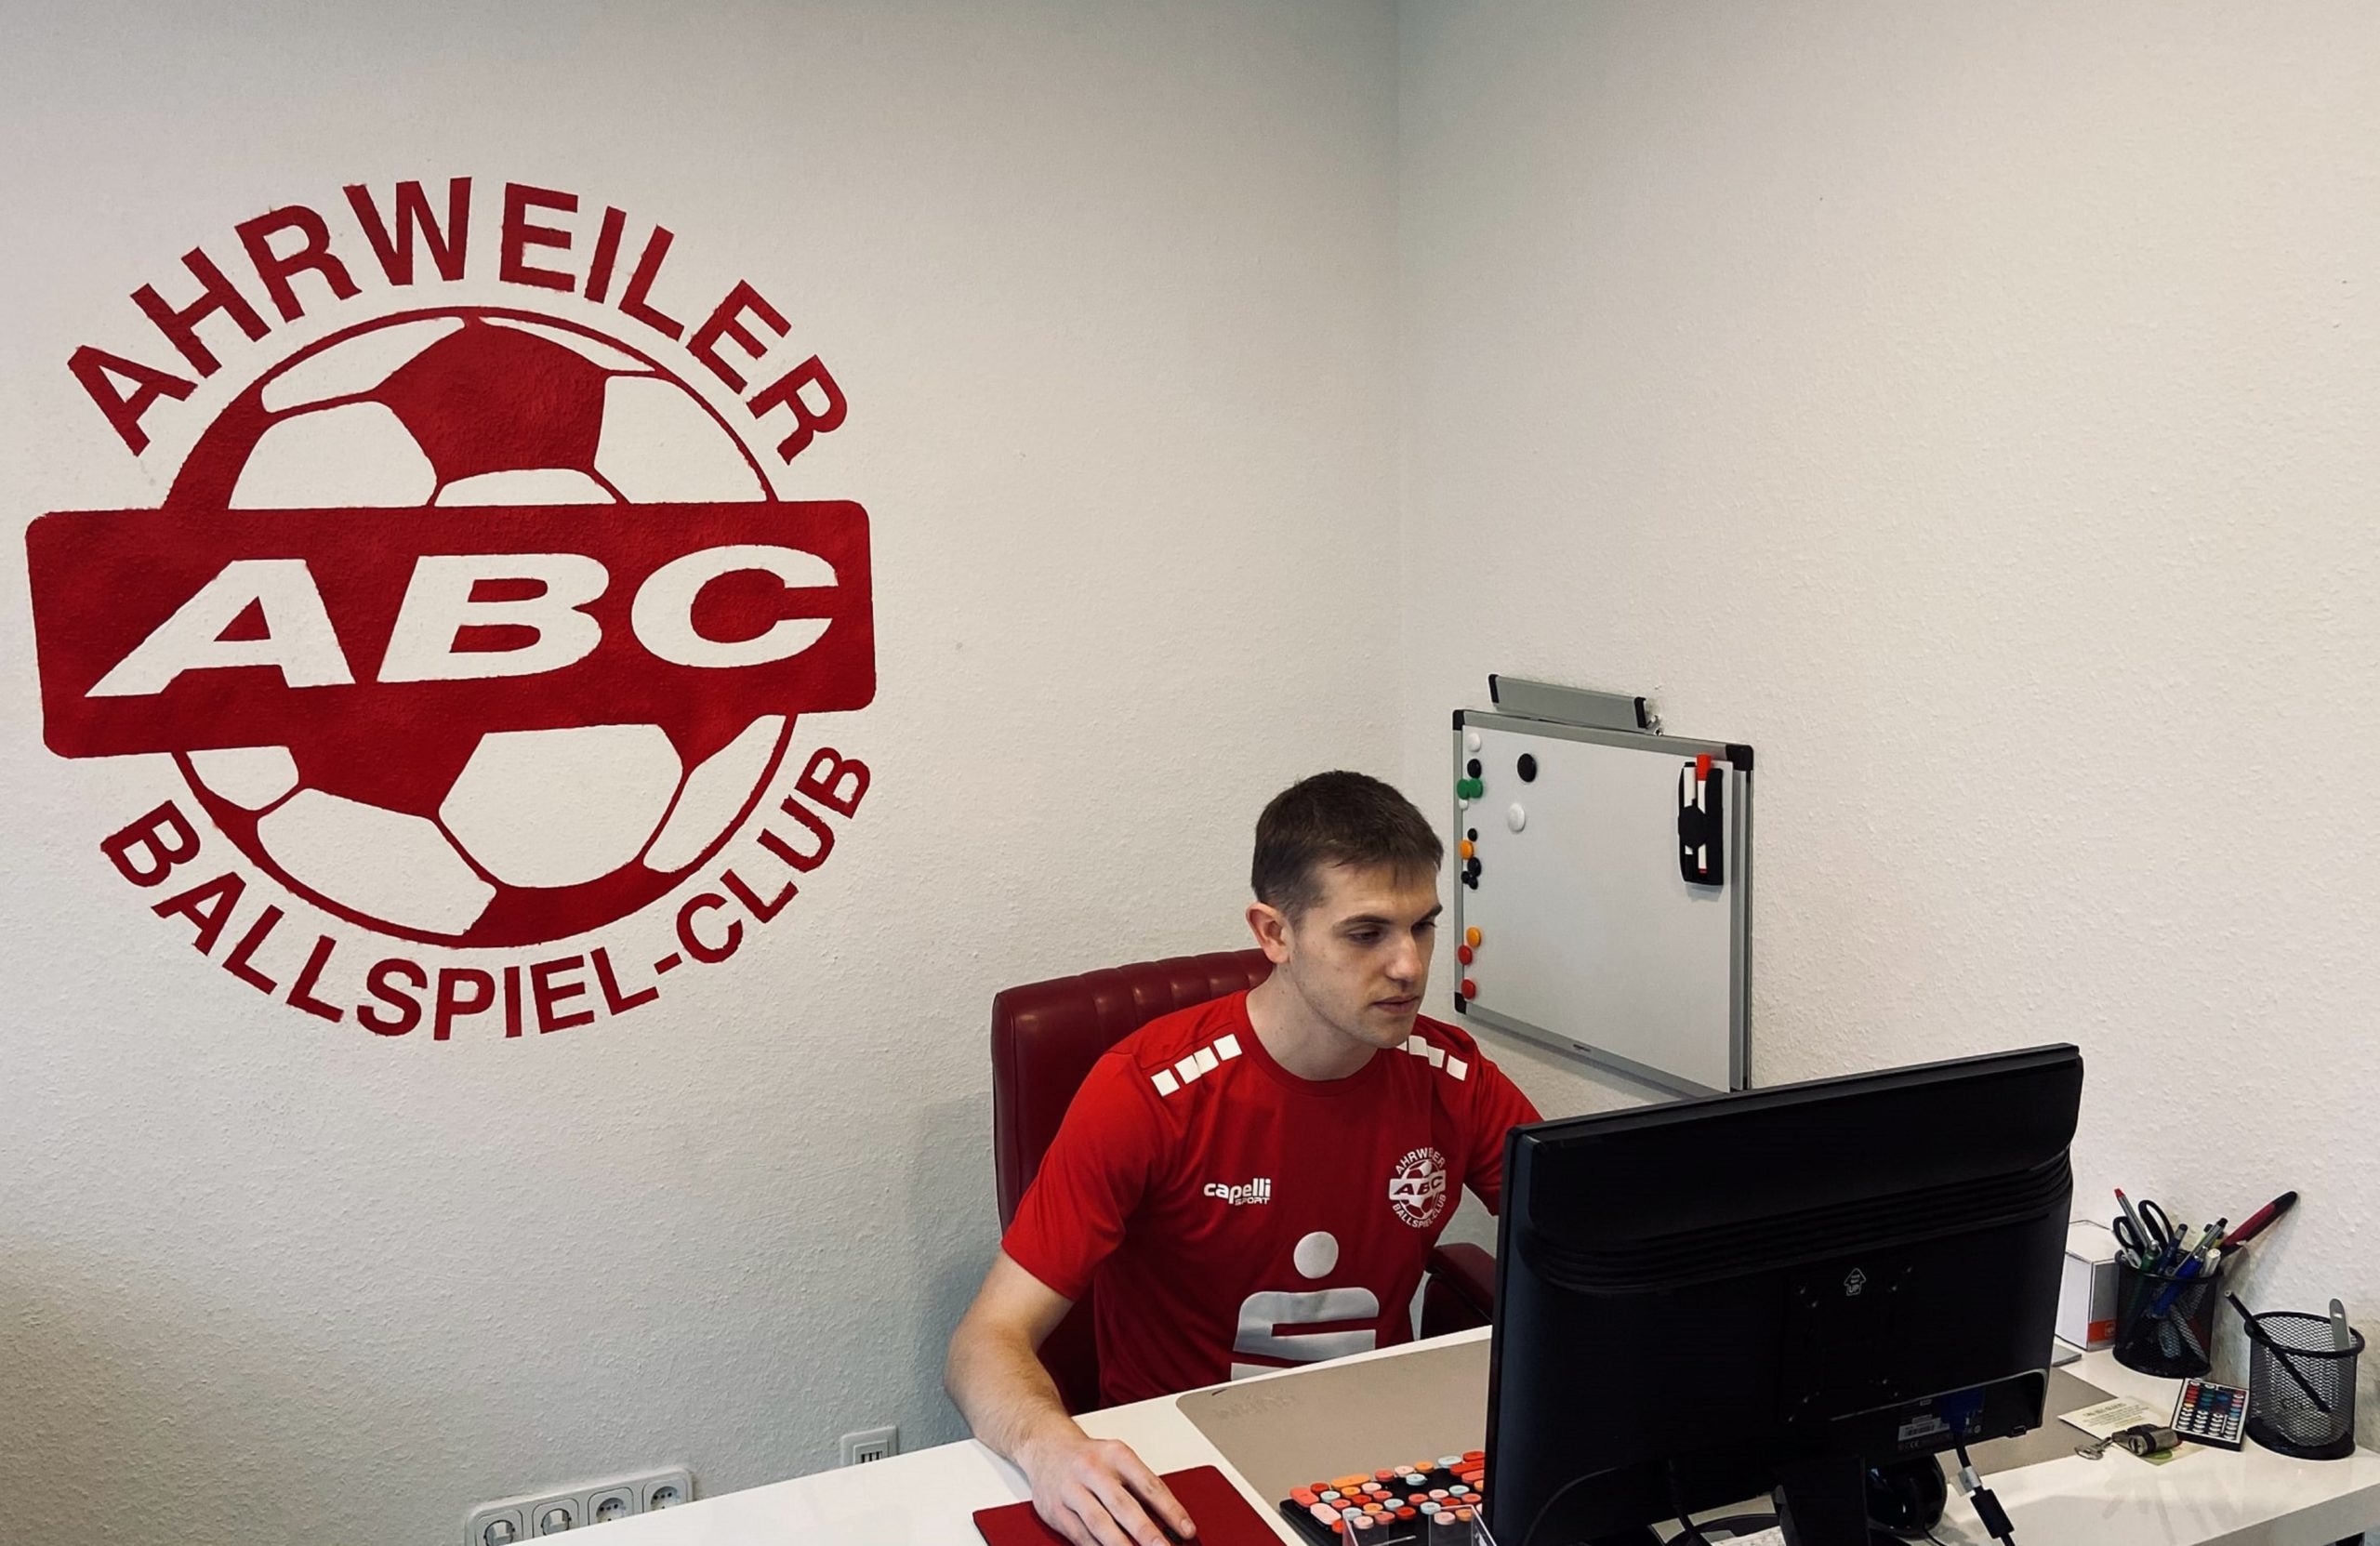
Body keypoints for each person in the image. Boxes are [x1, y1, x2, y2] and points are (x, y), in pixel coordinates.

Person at [944, 771, 1542, 1546]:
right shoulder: (1148, 1090)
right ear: (1275, 932)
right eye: (1366, 933)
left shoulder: (1453, 1075)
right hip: (1185, 1470)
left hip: (1378, 1467)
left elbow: (1593, 1248)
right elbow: (983, 1341)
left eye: (1422, 926)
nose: (1409, 965)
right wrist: (1048, 1446)